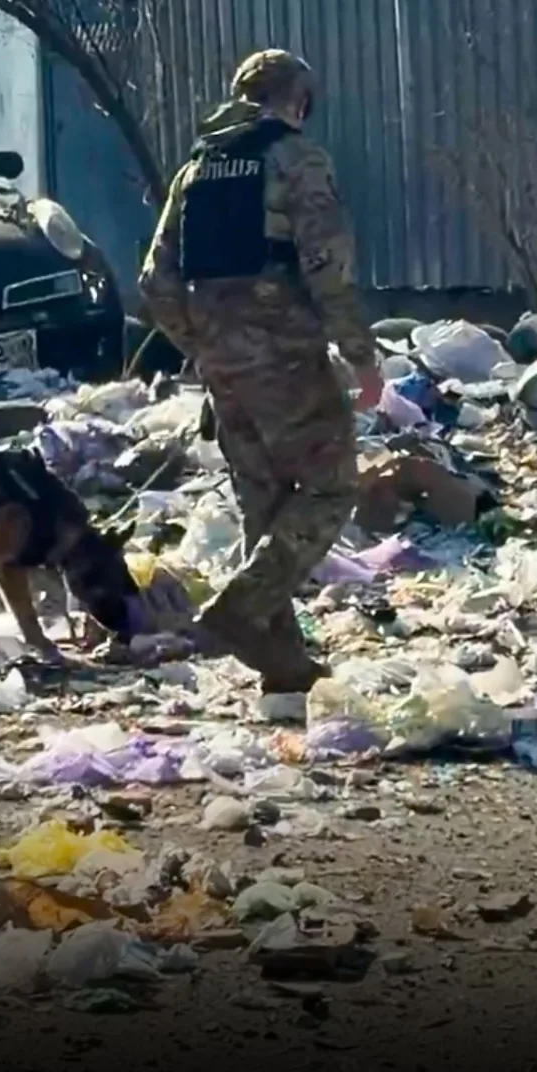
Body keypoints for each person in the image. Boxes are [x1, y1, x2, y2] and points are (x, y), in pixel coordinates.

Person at [137, 47, 382, 692]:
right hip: (287, 355)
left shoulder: (197, 169)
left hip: (221, 361)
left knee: (263, 505)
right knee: (330, 490)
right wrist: (362, 357)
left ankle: (283, 671)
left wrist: (205, 342)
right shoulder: (297, 158)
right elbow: (328, 268)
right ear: (298, 101)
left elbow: (154, 281)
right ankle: (240, 611)